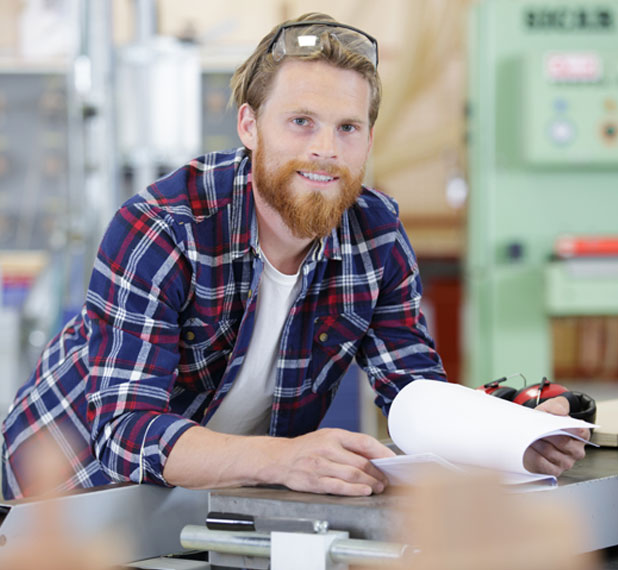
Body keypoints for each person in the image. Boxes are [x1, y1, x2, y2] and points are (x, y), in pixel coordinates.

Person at [1, 13, 587, 500]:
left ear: (369, 139)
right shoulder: (162, 227)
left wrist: (506, 437)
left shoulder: (376, 234)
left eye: (348, 127)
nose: (326, 150)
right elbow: (127, 435)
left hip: (210, 498)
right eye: (301, 121)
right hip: (57, 502)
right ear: (249, 125)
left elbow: (411, 389)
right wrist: (283, 460)